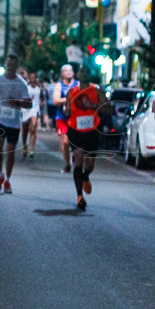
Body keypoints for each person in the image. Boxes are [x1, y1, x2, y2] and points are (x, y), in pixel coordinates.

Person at [61, 69, 111, 211]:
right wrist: (67, 111)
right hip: (75, 130)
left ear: (89, 75)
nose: (83, 74)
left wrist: (94, 106)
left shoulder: (96, 91)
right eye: (81, 72)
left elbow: (109, 109)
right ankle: (80, 196)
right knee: (78, 160)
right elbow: (67, 111)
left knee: (89, 165)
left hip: (91, 131)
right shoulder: (72, 92)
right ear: (78, 76)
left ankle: (85, 176)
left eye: (86, 72)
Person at [0, 54, 31, 193]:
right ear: (5, 64)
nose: (11, 67)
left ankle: (7, 180)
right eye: (9, 64)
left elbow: (29, 104)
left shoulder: (21, 83)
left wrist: (16, 102)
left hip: (14, 122)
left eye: (14, 64)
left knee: (10, 153)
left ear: (16, 66)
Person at [52, 64, 80, 172]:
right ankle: (67, 164)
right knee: (65, 141)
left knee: (75, 141)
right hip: (62, 117)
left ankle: (74, 154)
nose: (68, 72)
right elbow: (55, 100)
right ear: (62, 73)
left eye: (70, 70)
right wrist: (69, 99)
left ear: (73, 73)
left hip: (76, 117)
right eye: (66, 71)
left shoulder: (78, 84)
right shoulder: (59, 85)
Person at [21, 70, 43, 159]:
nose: (33, 79)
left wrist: (40, 105)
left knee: (33, 129)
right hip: (26, 110)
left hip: (34, 109)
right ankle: (24, 146)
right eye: (31, 78)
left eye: (34, 78)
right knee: (25, 130)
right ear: (29, 79)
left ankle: (32, 149)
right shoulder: (26, 88)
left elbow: (42, 98)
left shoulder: (39, 89)